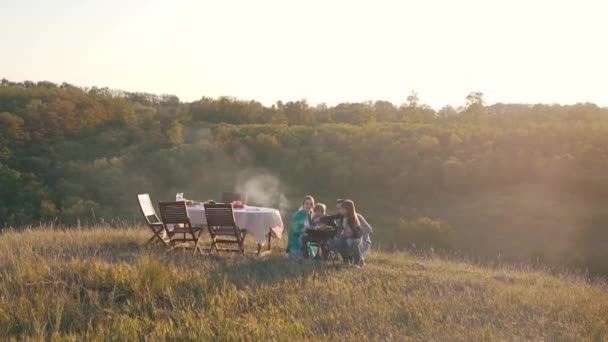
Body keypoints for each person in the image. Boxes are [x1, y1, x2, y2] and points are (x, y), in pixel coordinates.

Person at [334, 199, 364, 266]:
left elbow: (352, 233)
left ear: (348, 210)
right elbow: (333, 217)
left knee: (351, 242)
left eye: (342, 209)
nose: (340, 210)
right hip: (347, 236)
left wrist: (343, 235)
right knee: (338, 242)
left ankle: (357, 262)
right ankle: (346, 260)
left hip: (356, 237)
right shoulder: (342, 216)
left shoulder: (352, 218)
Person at [286, 195, 314, 260]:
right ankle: (290, 252)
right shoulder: (297, 215)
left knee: (311, 258)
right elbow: (294, 231)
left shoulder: (312, 215)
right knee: (299, 259)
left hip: (308, 240)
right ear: (303, 204)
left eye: (311, 204)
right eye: (307, 203)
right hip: (296, 241)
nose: (309, 206)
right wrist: (304, 231)